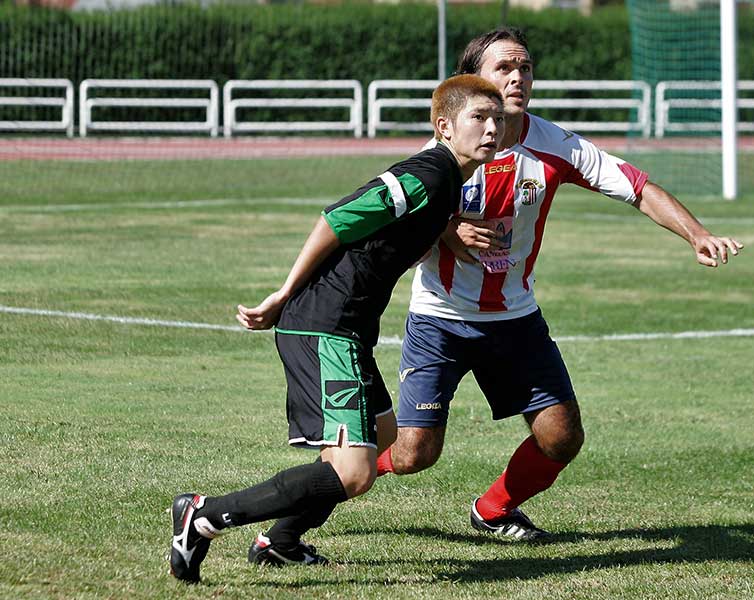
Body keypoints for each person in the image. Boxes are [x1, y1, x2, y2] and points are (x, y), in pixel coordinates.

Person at [374, 28, 745, 541]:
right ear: (472, 81)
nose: (518, 77)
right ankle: (336, 478)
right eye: (503, 67)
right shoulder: (440, 153)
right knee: (416, 453)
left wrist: (697, 234)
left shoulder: (555, 145)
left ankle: (494, 509)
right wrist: (443, 227)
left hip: (515, 319)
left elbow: (639, 188)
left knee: (561, 436)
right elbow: (394, 227)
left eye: (524, 67)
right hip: (441, 319)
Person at [168, 74, 505, 583]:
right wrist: (283, 293)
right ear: (444, 127)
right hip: (325, 325)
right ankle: (205, 515)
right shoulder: (427, 174)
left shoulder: (448, 182)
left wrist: (445, 234)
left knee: (384, 434)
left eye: (497, 119)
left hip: (348, 328)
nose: (491, 128)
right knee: (353, 472)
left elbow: (410, 228)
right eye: (479, 118)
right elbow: (337, 219)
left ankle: (280, 542)